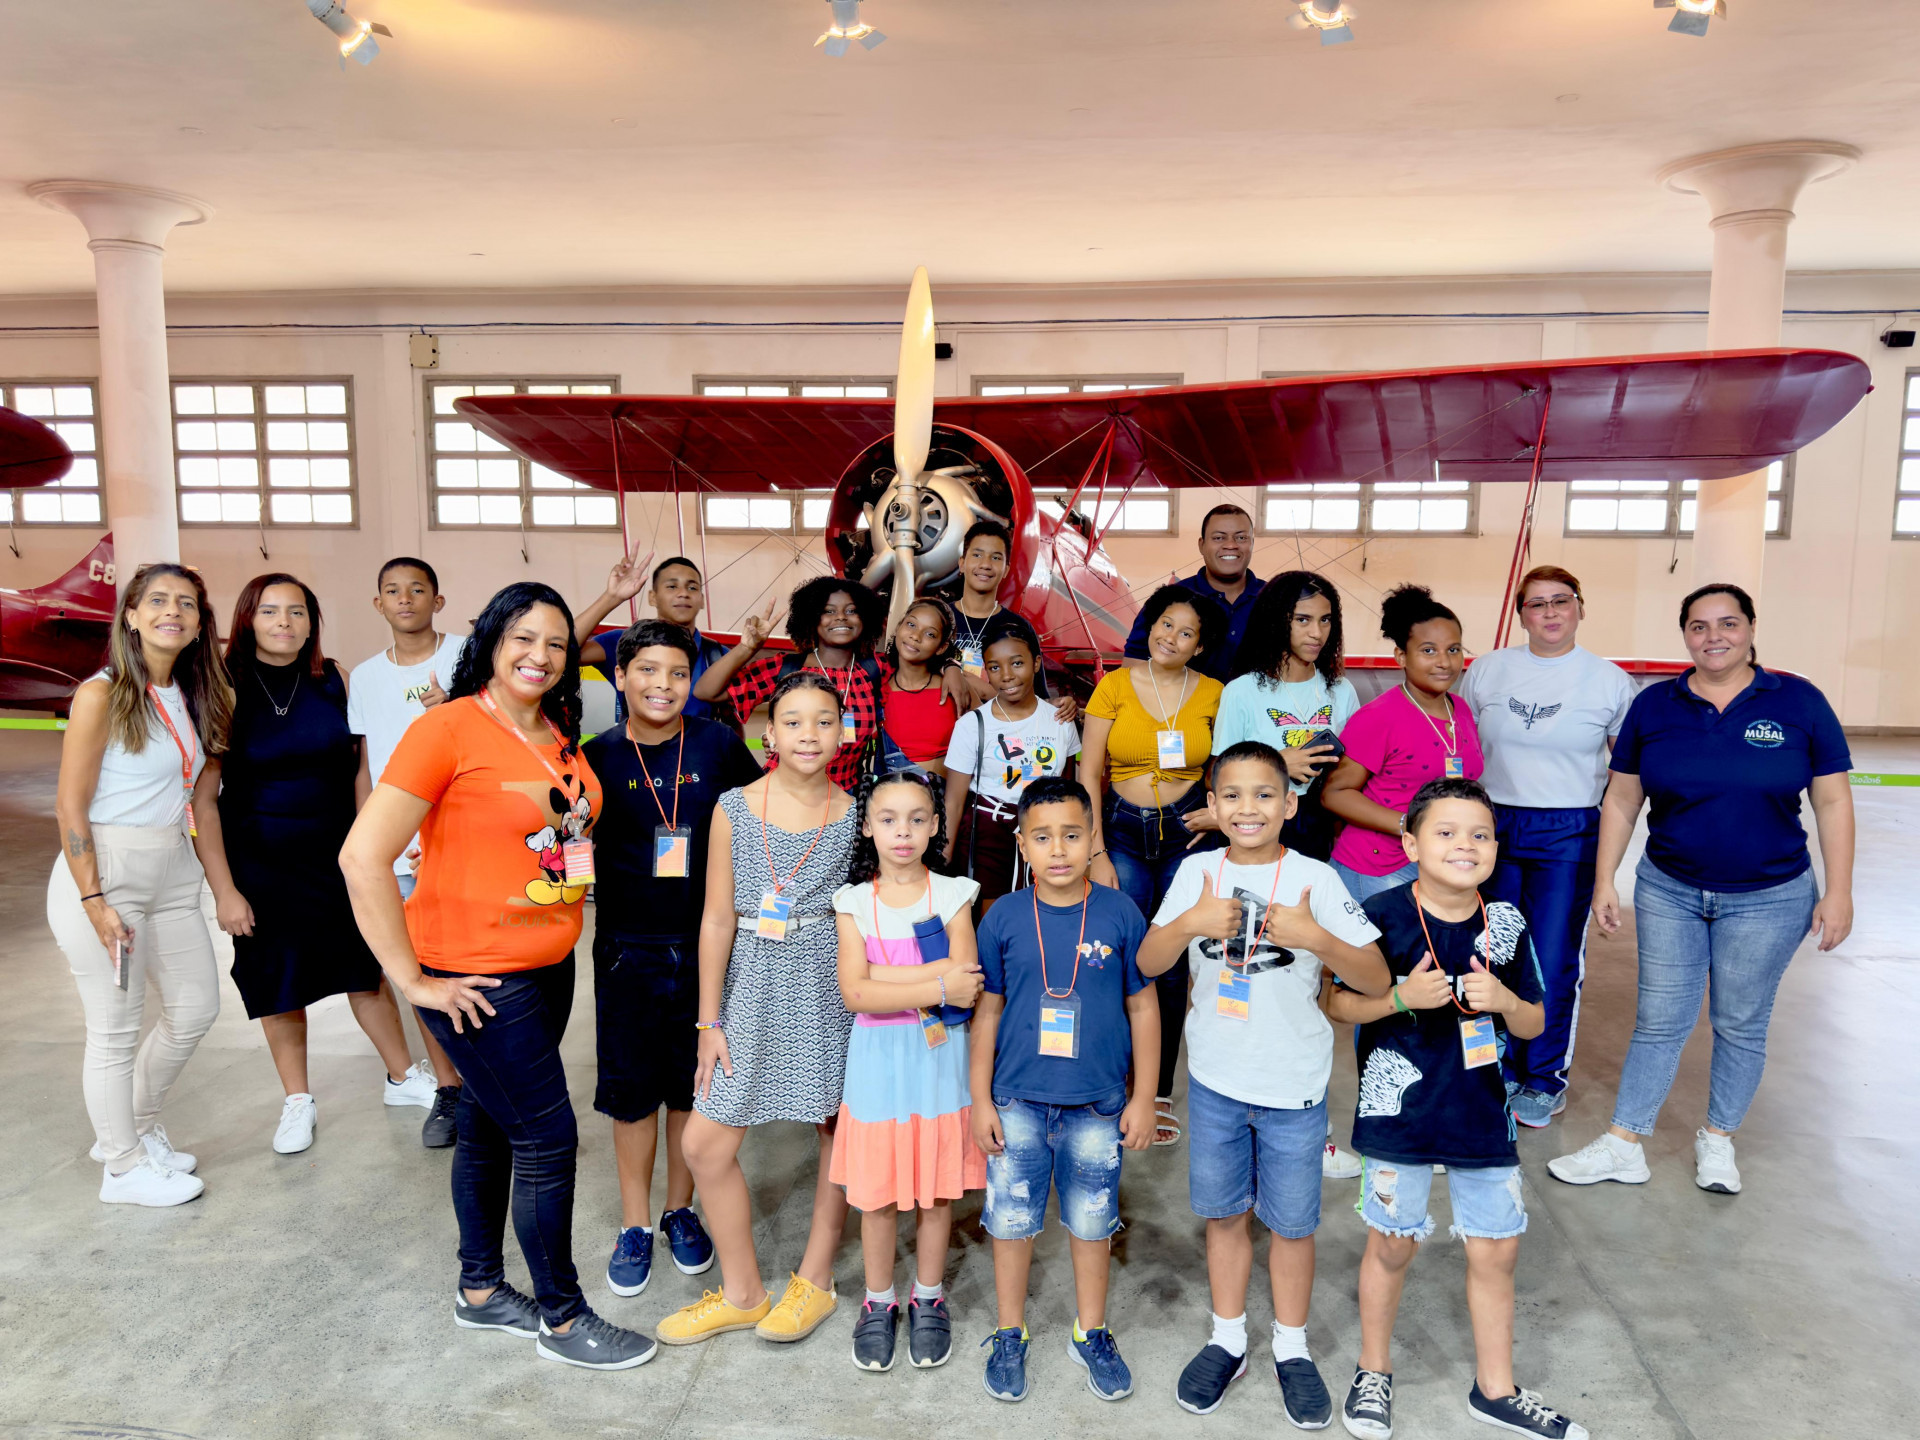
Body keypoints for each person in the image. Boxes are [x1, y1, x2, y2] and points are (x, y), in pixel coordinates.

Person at [340, 582, 655, 1371]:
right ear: (490, 639)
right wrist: (410, 980)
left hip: (546, 964)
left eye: (555, 643)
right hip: (477, 976)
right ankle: (562, 1316)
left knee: (486, 1126)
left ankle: (480, 1291)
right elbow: (362, 856)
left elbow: (560, 835)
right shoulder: (445, 729)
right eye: (523, 637)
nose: (540, 655)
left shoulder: (553, 731)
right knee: (548, 1139)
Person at [1549, 583, 1854, 1198]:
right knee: (1659, 1019)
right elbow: (1624, 797)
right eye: (1699, 626)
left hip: (1771, 894)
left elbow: (1832, 798)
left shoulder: (1798, 701)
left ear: (1750, 628)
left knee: (1739, 1021)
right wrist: (1606, 877)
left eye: (1728, 623)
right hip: (1670, 888)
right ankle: (1625, 1143)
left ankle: (1718, 1140)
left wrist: (1840, 891)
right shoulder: (1656, 705)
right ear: (1685, 634)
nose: (1714, 637)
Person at [1326, 778, 1588, 1440]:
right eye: (1445, 832)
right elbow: (1335, 1003)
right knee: (1390, 1245)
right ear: (1410, 843)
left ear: (1497, 847)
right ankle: (1373, 1371)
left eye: (1480, 834)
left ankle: (1495, 1389)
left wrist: (1501, 999)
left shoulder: (1506, 922)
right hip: (1398, 1115)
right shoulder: (1379, 915)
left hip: (1481, 1115)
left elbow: (1532, 1023)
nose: (1464, 846)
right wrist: (1400, 998)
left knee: (1497, 1252)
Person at [1137, 742, 1390, 1426]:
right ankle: (1227, 1338)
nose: (1248, 807)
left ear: (1290, 803)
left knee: (1292, 1224)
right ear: (1213, 806)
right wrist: (1189, 921)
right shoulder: (1196, 872)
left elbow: (1375, 979)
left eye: (1264, 794)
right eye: (1234, 795)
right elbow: (1150, 959)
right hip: (1216, 1080)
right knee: (1223, 1215)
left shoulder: (1317, 880)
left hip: (1295, 1088)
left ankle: (1291, 1345)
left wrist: (1318, 939)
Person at [657, 671, 862, 1346]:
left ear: (844, 731)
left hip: (830, 980)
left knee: (836, 1132)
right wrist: (708, 1023)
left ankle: (816, 1279)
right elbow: (716, 919)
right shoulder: (733, 807)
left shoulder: (856, 810)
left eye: (824, 720)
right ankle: (744, 1291)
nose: (809, 733)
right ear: (768, 733)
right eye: (794, 720)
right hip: (751, 979)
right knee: (704, 1142)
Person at [198, 574, 434, 1156]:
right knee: (280, 981)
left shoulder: (334, 680)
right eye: (271, 611)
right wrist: (225, 890)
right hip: (262, 859)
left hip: (336, 854)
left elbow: (360, 771)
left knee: (365, 967)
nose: (285, 622)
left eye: (297, 611)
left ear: (312, 620)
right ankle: (297, 1100)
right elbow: (204, 797)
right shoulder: (224, 688)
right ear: (248, 618)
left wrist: (368, 846)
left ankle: (403, 1077)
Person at [581, 619, 761, 1299]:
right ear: (619, 676)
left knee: (693, 1085)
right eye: (648, 671)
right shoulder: (595, 757)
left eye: (678, 674)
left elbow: (758, 814)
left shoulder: (717, 744)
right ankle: (633, 1224)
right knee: (632, 1095)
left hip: (710, 946)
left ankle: (678, 1210)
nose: (663, 685)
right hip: (627, 949)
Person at [49, 562, 233, 1207]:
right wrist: (94, 899)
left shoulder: (197, 695)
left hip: (173, 869)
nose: (172, 612)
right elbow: (70, 807)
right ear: (130, 615)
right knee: (116, 1026)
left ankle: (136, 1127)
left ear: (199, 622)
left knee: (195, 1009)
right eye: (157, 601)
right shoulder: (101, 694)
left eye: (186, 602)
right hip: (108, 874)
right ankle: (122, 1168)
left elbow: (200, 797)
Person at [970, 776, 1158, 1405]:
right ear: (1022, 844)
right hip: (1017, 1100)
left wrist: (1144, 1096)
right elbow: (988, 1011)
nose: (1059, 850)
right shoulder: (1002, 915)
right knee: (1012, 1222)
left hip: (1099, 1104)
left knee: (1091, 1221)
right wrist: (979, 1098)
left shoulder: (1119, 911)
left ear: (1092, 838)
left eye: (1073, 836)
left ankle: (1091, 1329)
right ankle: (1008, 1330)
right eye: (1043, 837)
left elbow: (1144, 1008)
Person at [1456, 566, 1636, 1130]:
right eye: (1537, 604)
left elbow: (1625, 779)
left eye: (1561, 601)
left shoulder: (1609, 682)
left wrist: (1609, 866)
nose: (1550, 613)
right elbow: (1459, 747)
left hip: (1570, 830)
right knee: (1492, 951)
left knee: (1554, 958)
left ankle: (1543, 1077)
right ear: (1520, 612)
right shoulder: (1486, 671)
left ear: (1581, 607)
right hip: (1495, 825)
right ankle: (1500, 1068)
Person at [830, 769, 987, 1373]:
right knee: (877, 1193)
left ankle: (928, 1296)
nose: (904, 832)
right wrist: (933, 980)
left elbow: (966, 983)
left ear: (934, 827)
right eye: (889, 819)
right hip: (877, 1063)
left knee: (935, 1187)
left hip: (938, 1059)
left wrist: (885, 978)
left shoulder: (951, 895)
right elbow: (853, 994)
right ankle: (878, 1300)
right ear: (867, 828)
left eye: (918, 819)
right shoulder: (853, 903)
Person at [1081, 583, 1226, 1147]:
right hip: (1118, 829)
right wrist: (1094, 850)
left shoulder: (1214, 692)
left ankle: (1157, 1092)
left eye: (1186, 632)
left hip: (1186, 834)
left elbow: (1228, 764)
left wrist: (1217, 814)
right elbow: (1088, 770)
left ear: (1199, 645)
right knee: (1121, 953)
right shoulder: (1114, 685)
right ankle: (1113, 1081)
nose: (1172, 637)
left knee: (1170, 964)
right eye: (1166, 623)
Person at [346, 555, 467, 1147]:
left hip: (463, 838)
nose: (405, 599)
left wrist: (453, 708)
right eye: (391, 590)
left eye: (418, 589)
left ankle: (487, 1086)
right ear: (378, 603)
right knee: (417, 971)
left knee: (472, 965)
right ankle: (448, 1089)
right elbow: (368, 766)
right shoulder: (366, 676)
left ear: (437, 600)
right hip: (401, 847)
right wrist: (378, 837)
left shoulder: (468, 656)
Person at [698, 577, 972, 792]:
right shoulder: (787, 668)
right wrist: (747, 648)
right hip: (785, 794)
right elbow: (706, 691)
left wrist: (952, 667)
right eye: (828, 611)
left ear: (864, 618)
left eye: (851, 610)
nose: (840, 617)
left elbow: (919, 656)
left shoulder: (876, 668)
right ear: (812, 619)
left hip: (846, 798)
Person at [1323, 584, 1483, 904]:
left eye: (1453, 650)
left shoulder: (1461, 710)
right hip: (1377, 867)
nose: (1443, 661)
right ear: (1401, 656)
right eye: (1428, 650)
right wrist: (1408, 825)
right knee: (1385, 956)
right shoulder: (1380, 717)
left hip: (1437, 864)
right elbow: (1335, 794)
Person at [1213, 569, 1359, 861]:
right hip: (1258, 823)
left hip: (1323, 824)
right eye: (1302, 619)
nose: (1317, 633)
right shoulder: (1242, 690)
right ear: (1277, 620)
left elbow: (1354, 771)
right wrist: (1277, 763)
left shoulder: (1342, 690)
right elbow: (1215, 776)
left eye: (1325, 620)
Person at [941, 611, 1081, 912]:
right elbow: (953, 801)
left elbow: (1068, 788)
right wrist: (943, 860)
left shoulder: (1060, 720)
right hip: (987, 836)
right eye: (994, 667)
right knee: (993, 923)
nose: (1006, 675)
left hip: (1045, 836)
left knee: (1041, 918)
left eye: (1017, 663)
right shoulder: (972, 725)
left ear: (1036, 663)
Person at [575, 552, 736, 728]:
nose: (683, 594)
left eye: (692, 588)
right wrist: (611, 597)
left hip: (701, 754)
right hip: (636, 753)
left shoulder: (720, 657)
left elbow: (732, 723)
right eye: (672, 586)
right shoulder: (622, 642)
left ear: (702, 600)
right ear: (652, 597)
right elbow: (561, 651)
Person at [1122, 503, 1264, 681]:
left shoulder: (1277, 599)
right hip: (1181, 707)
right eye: (1219, 538)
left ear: (1252, 543)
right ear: (1202, 545)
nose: (1230, 545)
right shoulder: (1169, 601)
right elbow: (1133, 665)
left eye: (1241, 538)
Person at [881, 595, 964, 774]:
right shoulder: (878, 682)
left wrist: (953, 667)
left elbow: (993, 721)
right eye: (911, 624)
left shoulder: (952, 686)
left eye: (930, 634)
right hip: (892, 795)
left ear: (941, 647)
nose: (915, 636)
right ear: (899, 626)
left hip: (948, 797)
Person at [950, 519, 1014, 677]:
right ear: (962, 564)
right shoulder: (939, 619)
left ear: (1006, 570)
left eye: (996, 558)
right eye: (977, 555)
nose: (985, 564)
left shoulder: (1018, 628)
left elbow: (1036, 696)